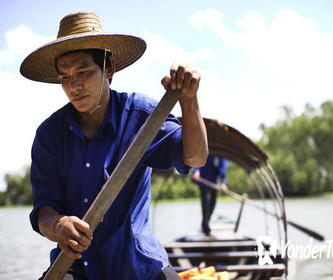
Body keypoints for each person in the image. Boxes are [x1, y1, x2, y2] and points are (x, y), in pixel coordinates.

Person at [20, 12, 208, 280]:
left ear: (109, 69)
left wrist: (190, 101)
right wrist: (58, 226)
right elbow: (43, 210)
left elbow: (195, 157)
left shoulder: (142, 116)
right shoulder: (50, 134)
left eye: (84, 72)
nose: (74, 85)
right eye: (64, 77)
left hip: (138, 265)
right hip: (75, 267)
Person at [192, 156, 227, 236]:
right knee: (206, 204)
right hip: (203, 181)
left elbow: (223, 166)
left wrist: (223, 182)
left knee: (212, 205)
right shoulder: (206, 146)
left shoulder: (220, 154)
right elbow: (199, 159)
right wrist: (197, 171)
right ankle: (206, 226)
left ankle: (205, 224)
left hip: (213, 183)